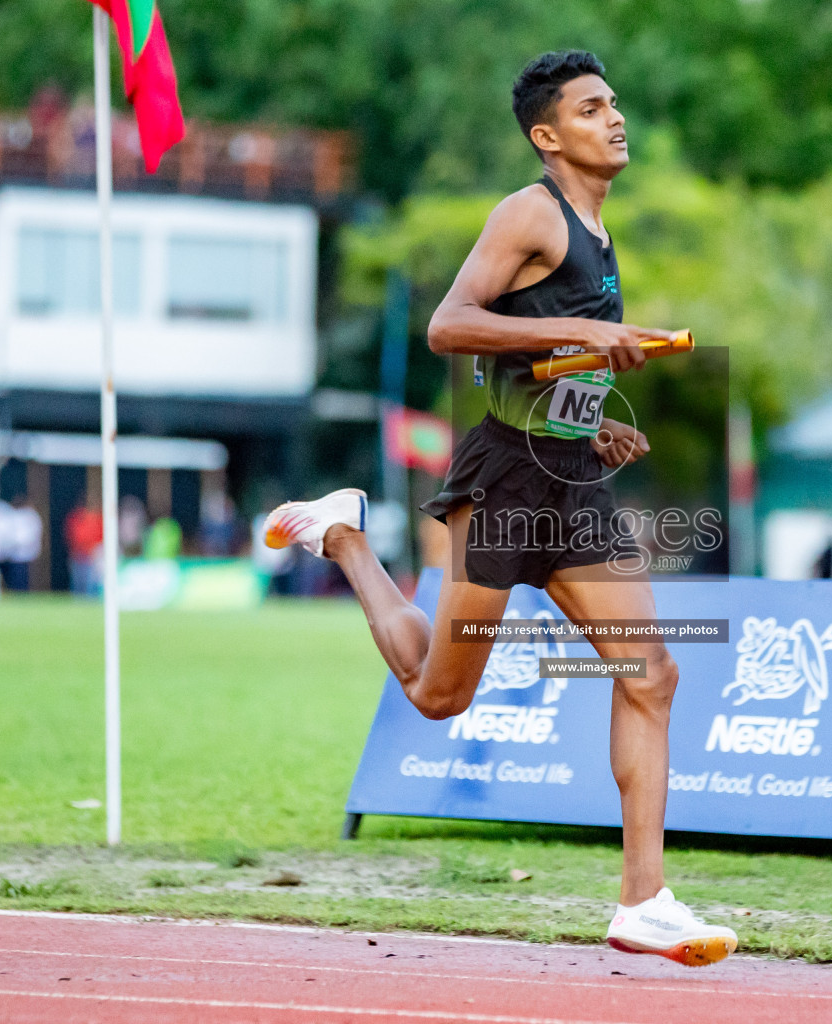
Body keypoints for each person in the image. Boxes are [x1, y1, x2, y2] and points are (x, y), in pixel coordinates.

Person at [263, 51, 737, 967]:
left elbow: (542, 372)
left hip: (573, 483)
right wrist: (583, 330)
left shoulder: (600, 231)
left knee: (652, 675)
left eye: (616, 104)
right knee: (440, 695)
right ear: (548, 135)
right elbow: (450, 325)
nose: (616, 118)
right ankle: (348, 539)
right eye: (594, 108)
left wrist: (593, 428)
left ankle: (645, 901)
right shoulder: (531, 212)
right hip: (505, 482)